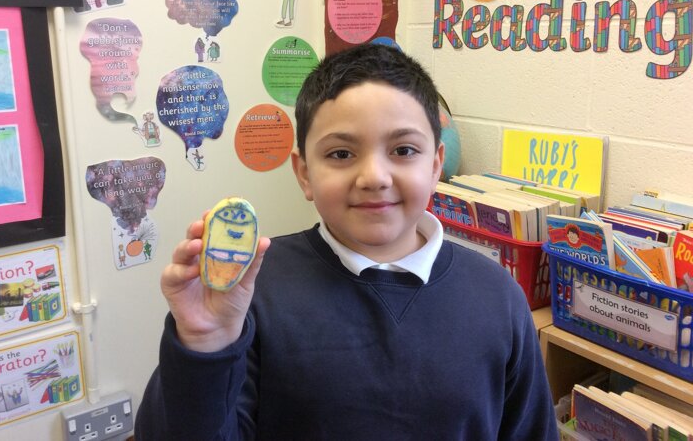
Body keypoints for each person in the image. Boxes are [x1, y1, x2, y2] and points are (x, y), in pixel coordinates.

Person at [135, 44, 558, 440]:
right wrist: (205, 343)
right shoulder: (249, 292)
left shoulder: (497, 296)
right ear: (304, 173)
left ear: (435, 167)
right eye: (341, 154)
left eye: (404, 150)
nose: (374, 177)